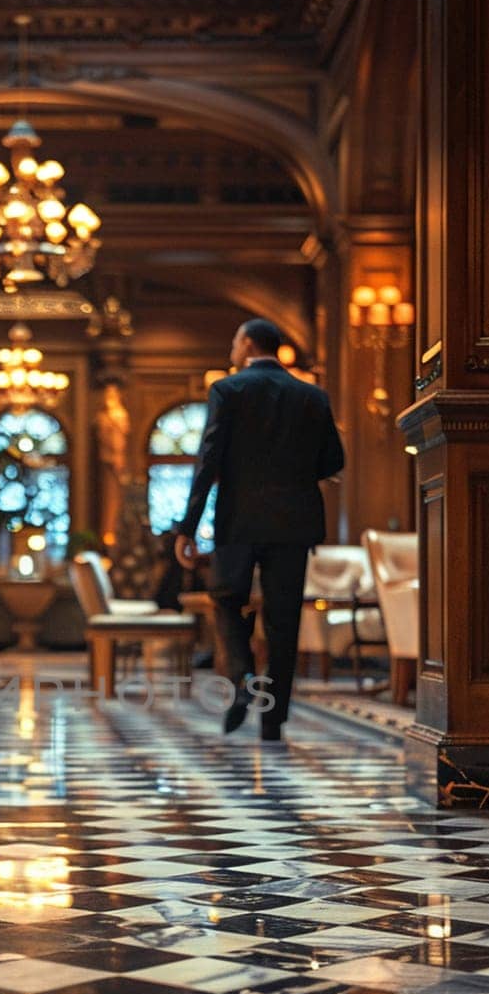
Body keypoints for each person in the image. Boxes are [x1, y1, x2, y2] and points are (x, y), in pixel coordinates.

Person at [175, 318, 344, 742]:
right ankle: (274, 720)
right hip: (295, 521)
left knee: (226, 597)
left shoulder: (228, 390)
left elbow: (208, 460)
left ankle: (243, 676)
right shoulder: (312, 396)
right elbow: (333, 461)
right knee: (283, 620)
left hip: (240, 518)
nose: (232, 350)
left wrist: (187, 526)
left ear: (247, 343)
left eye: (234, 342)